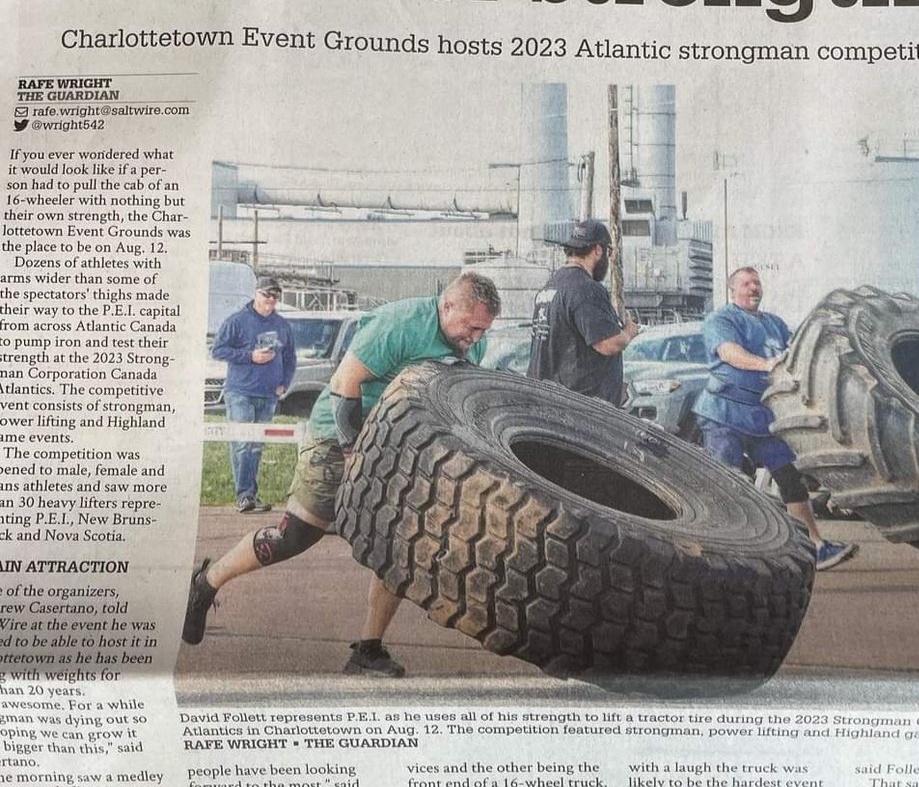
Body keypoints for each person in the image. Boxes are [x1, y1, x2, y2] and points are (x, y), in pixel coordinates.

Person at [182, 272, 501, 677]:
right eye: (471, 326)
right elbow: (344, 382)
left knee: (397, 548)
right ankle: (206, 583)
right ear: (448, 305)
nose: (475, 336)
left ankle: (367, 650)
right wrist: (353, 451)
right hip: (338, 436)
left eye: (483, 329)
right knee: (294, 537)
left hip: (399, 446)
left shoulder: (473, 343)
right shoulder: (399, 324)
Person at [694, 266, 858, 571]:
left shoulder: (775, 324)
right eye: (746, 283)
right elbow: (730, 353)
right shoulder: (722, 319)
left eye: (757, 283)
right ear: (733, 290)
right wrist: (767, 364)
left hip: (763, 417)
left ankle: (815, 546)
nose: (754, 288)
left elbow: (799, 353)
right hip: (724, 414)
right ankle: (717, 552)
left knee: (789, 477)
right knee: (726, 481)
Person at [527, 219, 639, 405]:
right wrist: (629, 332)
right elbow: (608, 344)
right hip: (580, 409)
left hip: (548, 401)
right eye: (608, 252)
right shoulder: (586, 289)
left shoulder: (551, 286)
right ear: (598, 250)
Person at [210, 276, 296, 514]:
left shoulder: (282, 325)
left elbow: (290, 357)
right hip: (240, 392)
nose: (271, 300)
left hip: (268, 394)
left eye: (275, 296)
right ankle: (244, 495)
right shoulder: (237, 321)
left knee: (256, 446)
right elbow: (217, 350)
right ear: (256, 294)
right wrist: (250, 356)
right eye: (266, 295)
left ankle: (251, 494)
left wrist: (284, 383)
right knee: (242, 443)